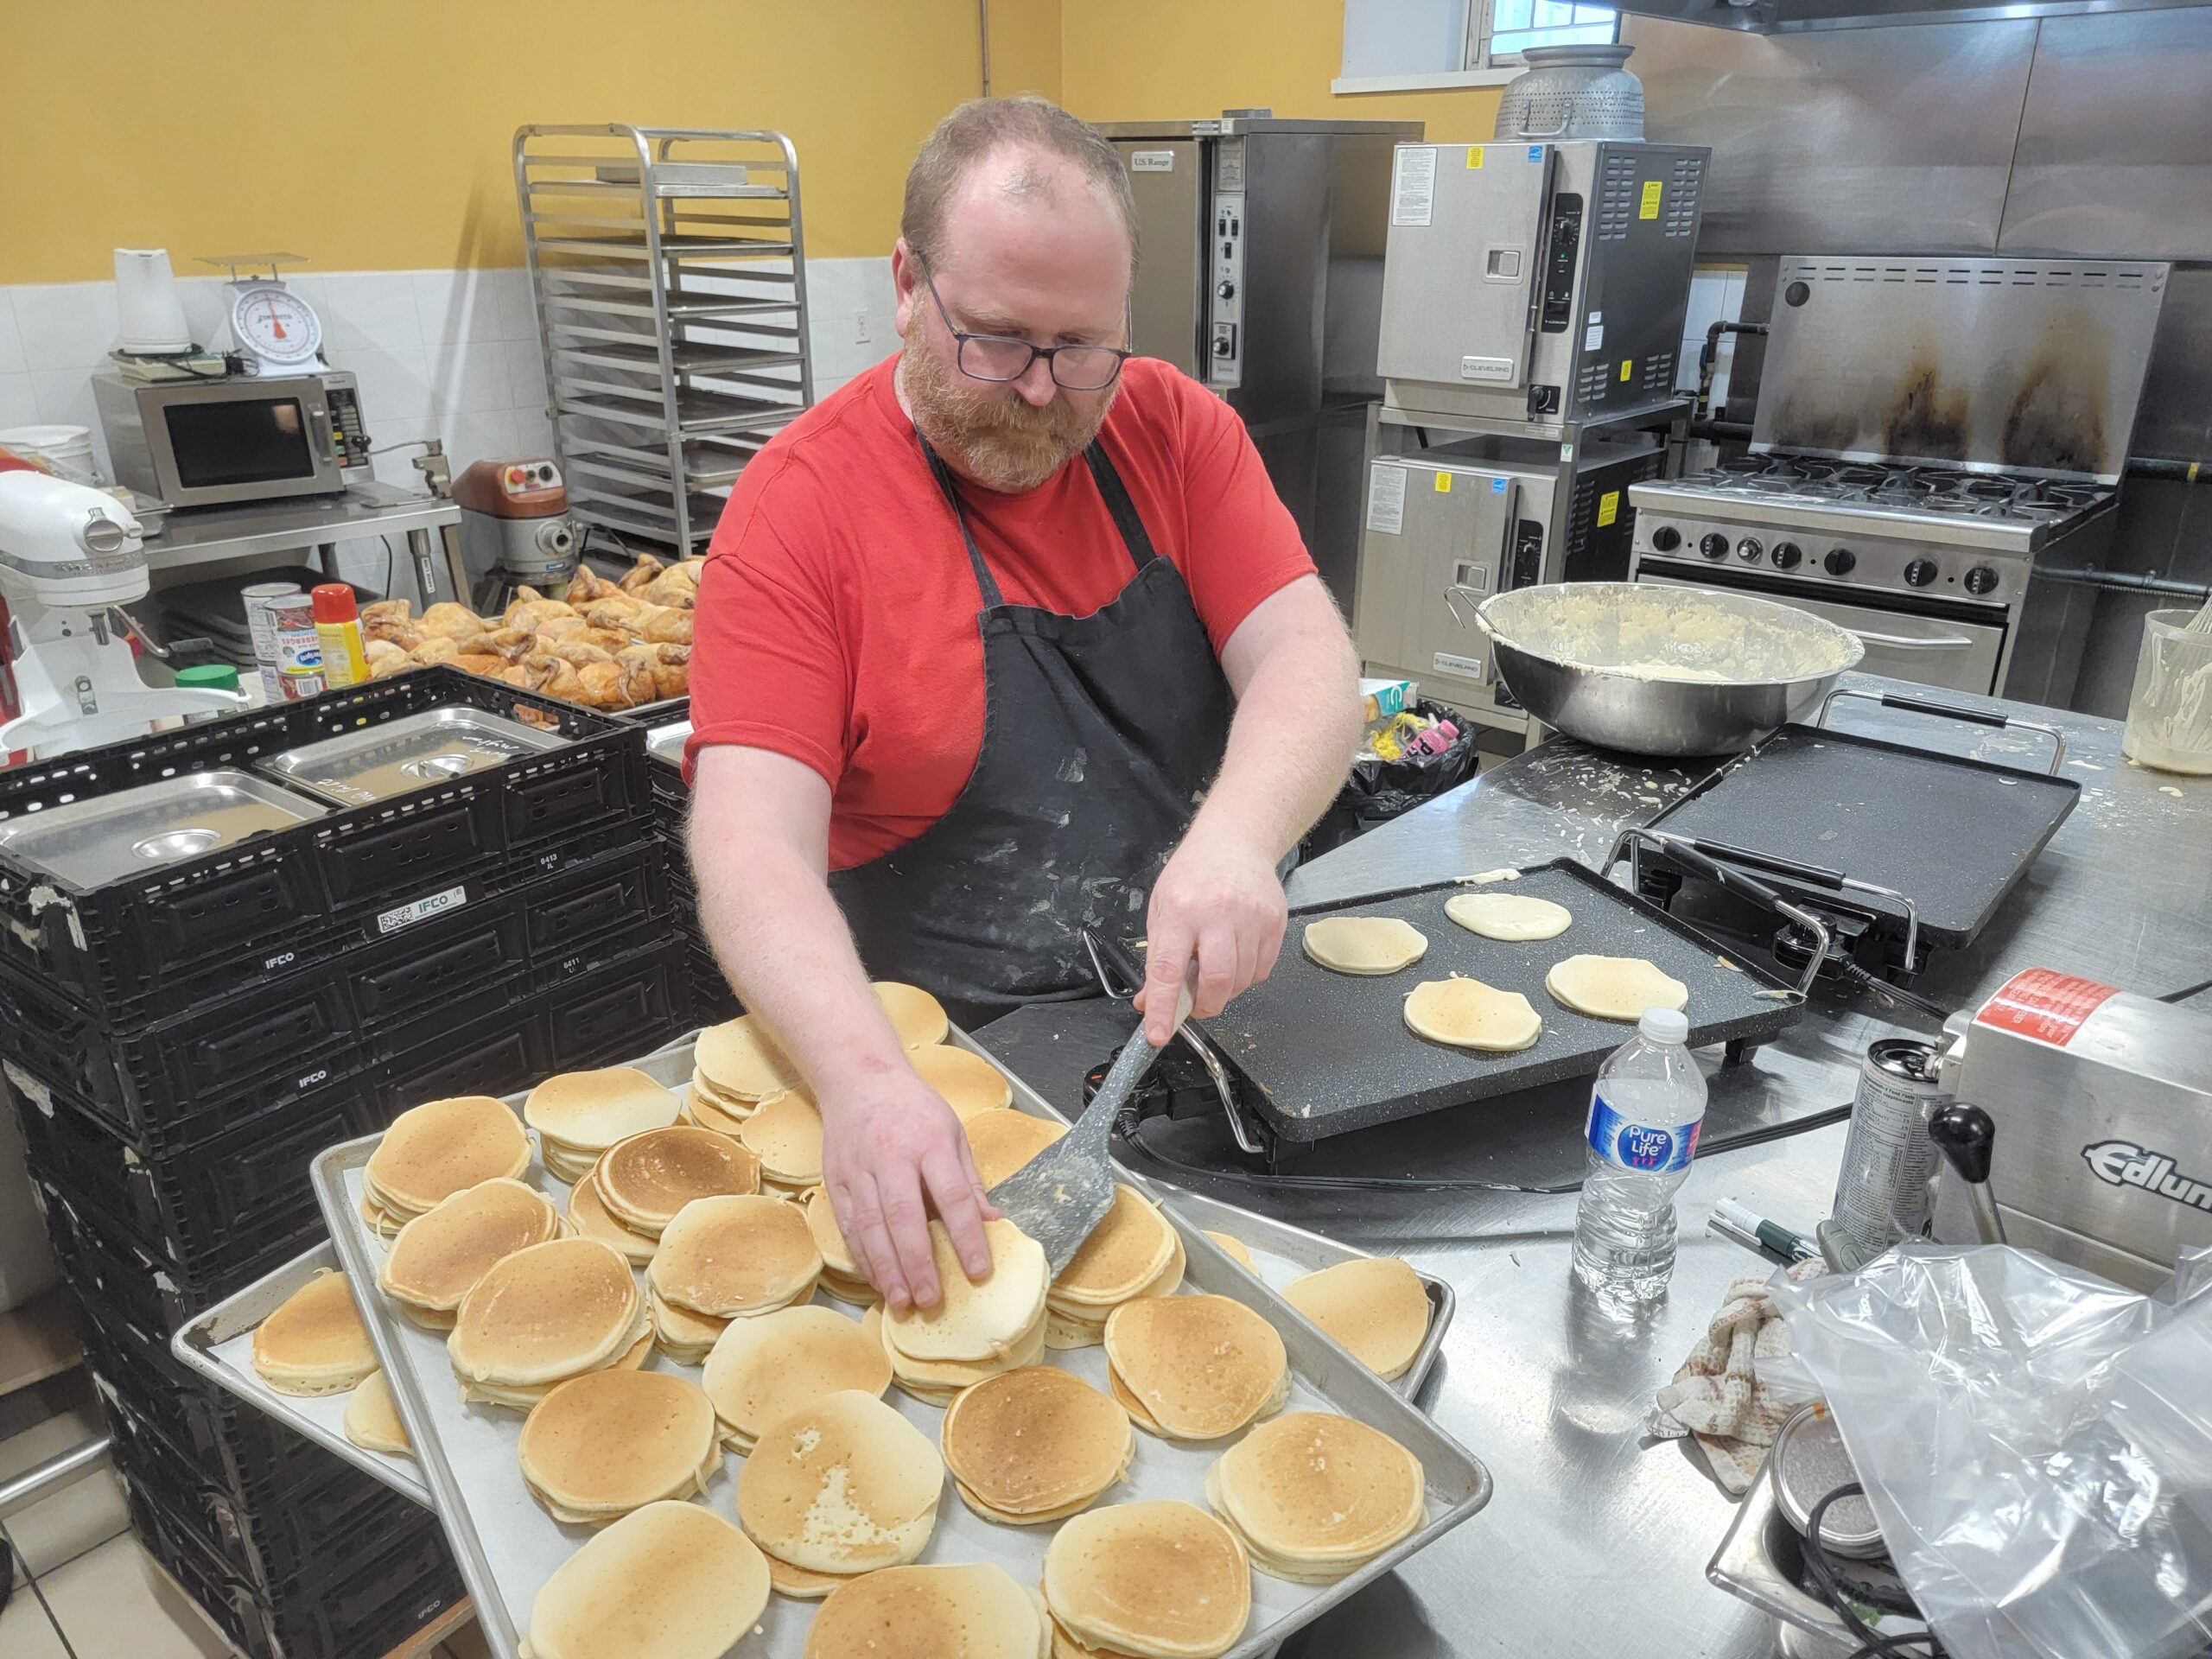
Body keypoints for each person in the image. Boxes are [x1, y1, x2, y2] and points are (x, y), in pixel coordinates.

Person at [686, 96, 1359, 1313]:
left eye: (1083, 346)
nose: (1044, 393)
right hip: (958, 1073)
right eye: (995, 341)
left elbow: (1308, 658)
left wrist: (1236, 839)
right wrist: (859, 1081)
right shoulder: (800, 513)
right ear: (905, 282)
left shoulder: (1175, 430)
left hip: (1209, 1018)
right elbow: (748, 847)